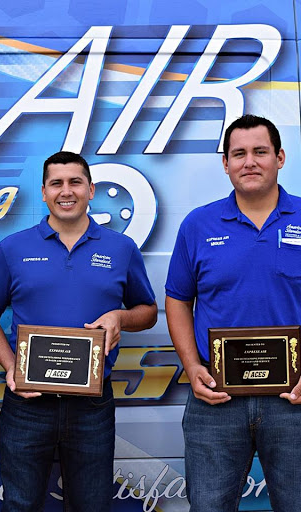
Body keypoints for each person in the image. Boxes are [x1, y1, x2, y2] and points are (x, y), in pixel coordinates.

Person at [0, 151, 157, 511]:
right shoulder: (13, 248)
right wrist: (11, 366)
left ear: (91, 189)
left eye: (75, 182)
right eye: (56, 183)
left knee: (92, 505)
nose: (66, 191)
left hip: (92, 405)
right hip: (27, 404)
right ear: (44, 192)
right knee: (20, 505)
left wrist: (119, 318)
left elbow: (147, 312)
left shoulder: (121, 248)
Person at [165, 114, 301, 512]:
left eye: (260, 151)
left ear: (280, 157)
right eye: (238, 154)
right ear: (225, 163)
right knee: (209, 506)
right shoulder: (198, 224)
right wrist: (192, 367)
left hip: (293, 397)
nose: (249, 162)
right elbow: (177, 300)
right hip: (216, 396)